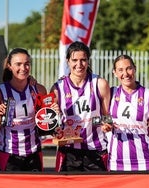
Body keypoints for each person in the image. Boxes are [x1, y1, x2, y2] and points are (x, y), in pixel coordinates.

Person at [50, 41, 111, 172]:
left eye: (83, 60)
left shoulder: (100, 84)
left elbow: (106, 116)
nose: (79, 64)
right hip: (69, 151)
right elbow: (51, 123)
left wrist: (106, 125)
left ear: (88, 61)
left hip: (96, 150)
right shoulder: (58, 88)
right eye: (74, 60)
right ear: (68, 61)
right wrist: (55, 121)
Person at [0, 48, 54, 171]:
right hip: (8, 154)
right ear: (9, 66)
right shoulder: (0, 92)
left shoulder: (39, 90)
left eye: (27, 64)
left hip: (34, 153)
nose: (23, 68)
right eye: (18, 64)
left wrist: (54, 115)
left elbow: (45, 125)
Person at [103, 54, 149, 171]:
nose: (125, 74)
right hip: (116, 163)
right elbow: (104, 119)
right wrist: (105, 126)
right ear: (114, 73)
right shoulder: (110, 93)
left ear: (134, 69)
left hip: (145, 163)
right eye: (120, 70)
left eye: (129, 68)